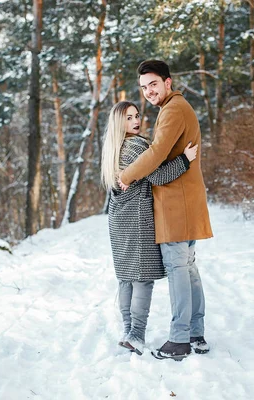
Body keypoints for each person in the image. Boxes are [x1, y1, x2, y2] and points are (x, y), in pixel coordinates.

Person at [118, 60, 213, 361]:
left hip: (176, 202)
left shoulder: (172, 109)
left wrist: (126, 174)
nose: (148, 91)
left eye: (153, 84)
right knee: (188, 268)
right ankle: (195, 332)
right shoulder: (174, 108)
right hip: (183, 200)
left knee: (178, 270)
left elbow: (157, 154)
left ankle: (180, 338)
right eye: (144, 87)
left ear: (168, 82)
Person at [101, 101, 198, 356]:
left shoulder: (113, 148)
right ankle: (136, 335)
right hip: (138, 219)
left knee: (125, 278)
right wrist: (184, 161)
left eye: (137, 115)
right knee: (142, 279)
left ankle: (128, 331)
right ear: (118, 123)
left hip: (118, 219)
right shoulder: (136, 146)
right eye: (129, 118)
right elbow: (158, 176)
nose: (136, 121)